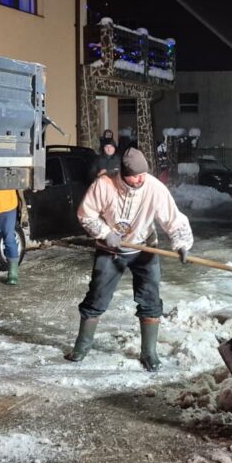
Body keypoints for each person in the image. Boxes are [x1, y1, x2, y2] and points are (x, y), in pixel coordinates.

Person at [68, 148, 194, 371]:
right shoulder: (104, 185)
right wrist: (106, 233)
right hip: (110, 250)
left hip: (144, 247)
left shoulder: (154, 187)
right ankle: (82, 346)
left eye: (143, 174)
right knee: (97, 297)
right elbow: (85, 215)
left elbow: (173, 218)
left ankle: (149, 352)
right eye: (136, 176)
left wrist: (182, 243)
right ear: (124, 174)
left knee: (150, 300)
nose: (141, 179)